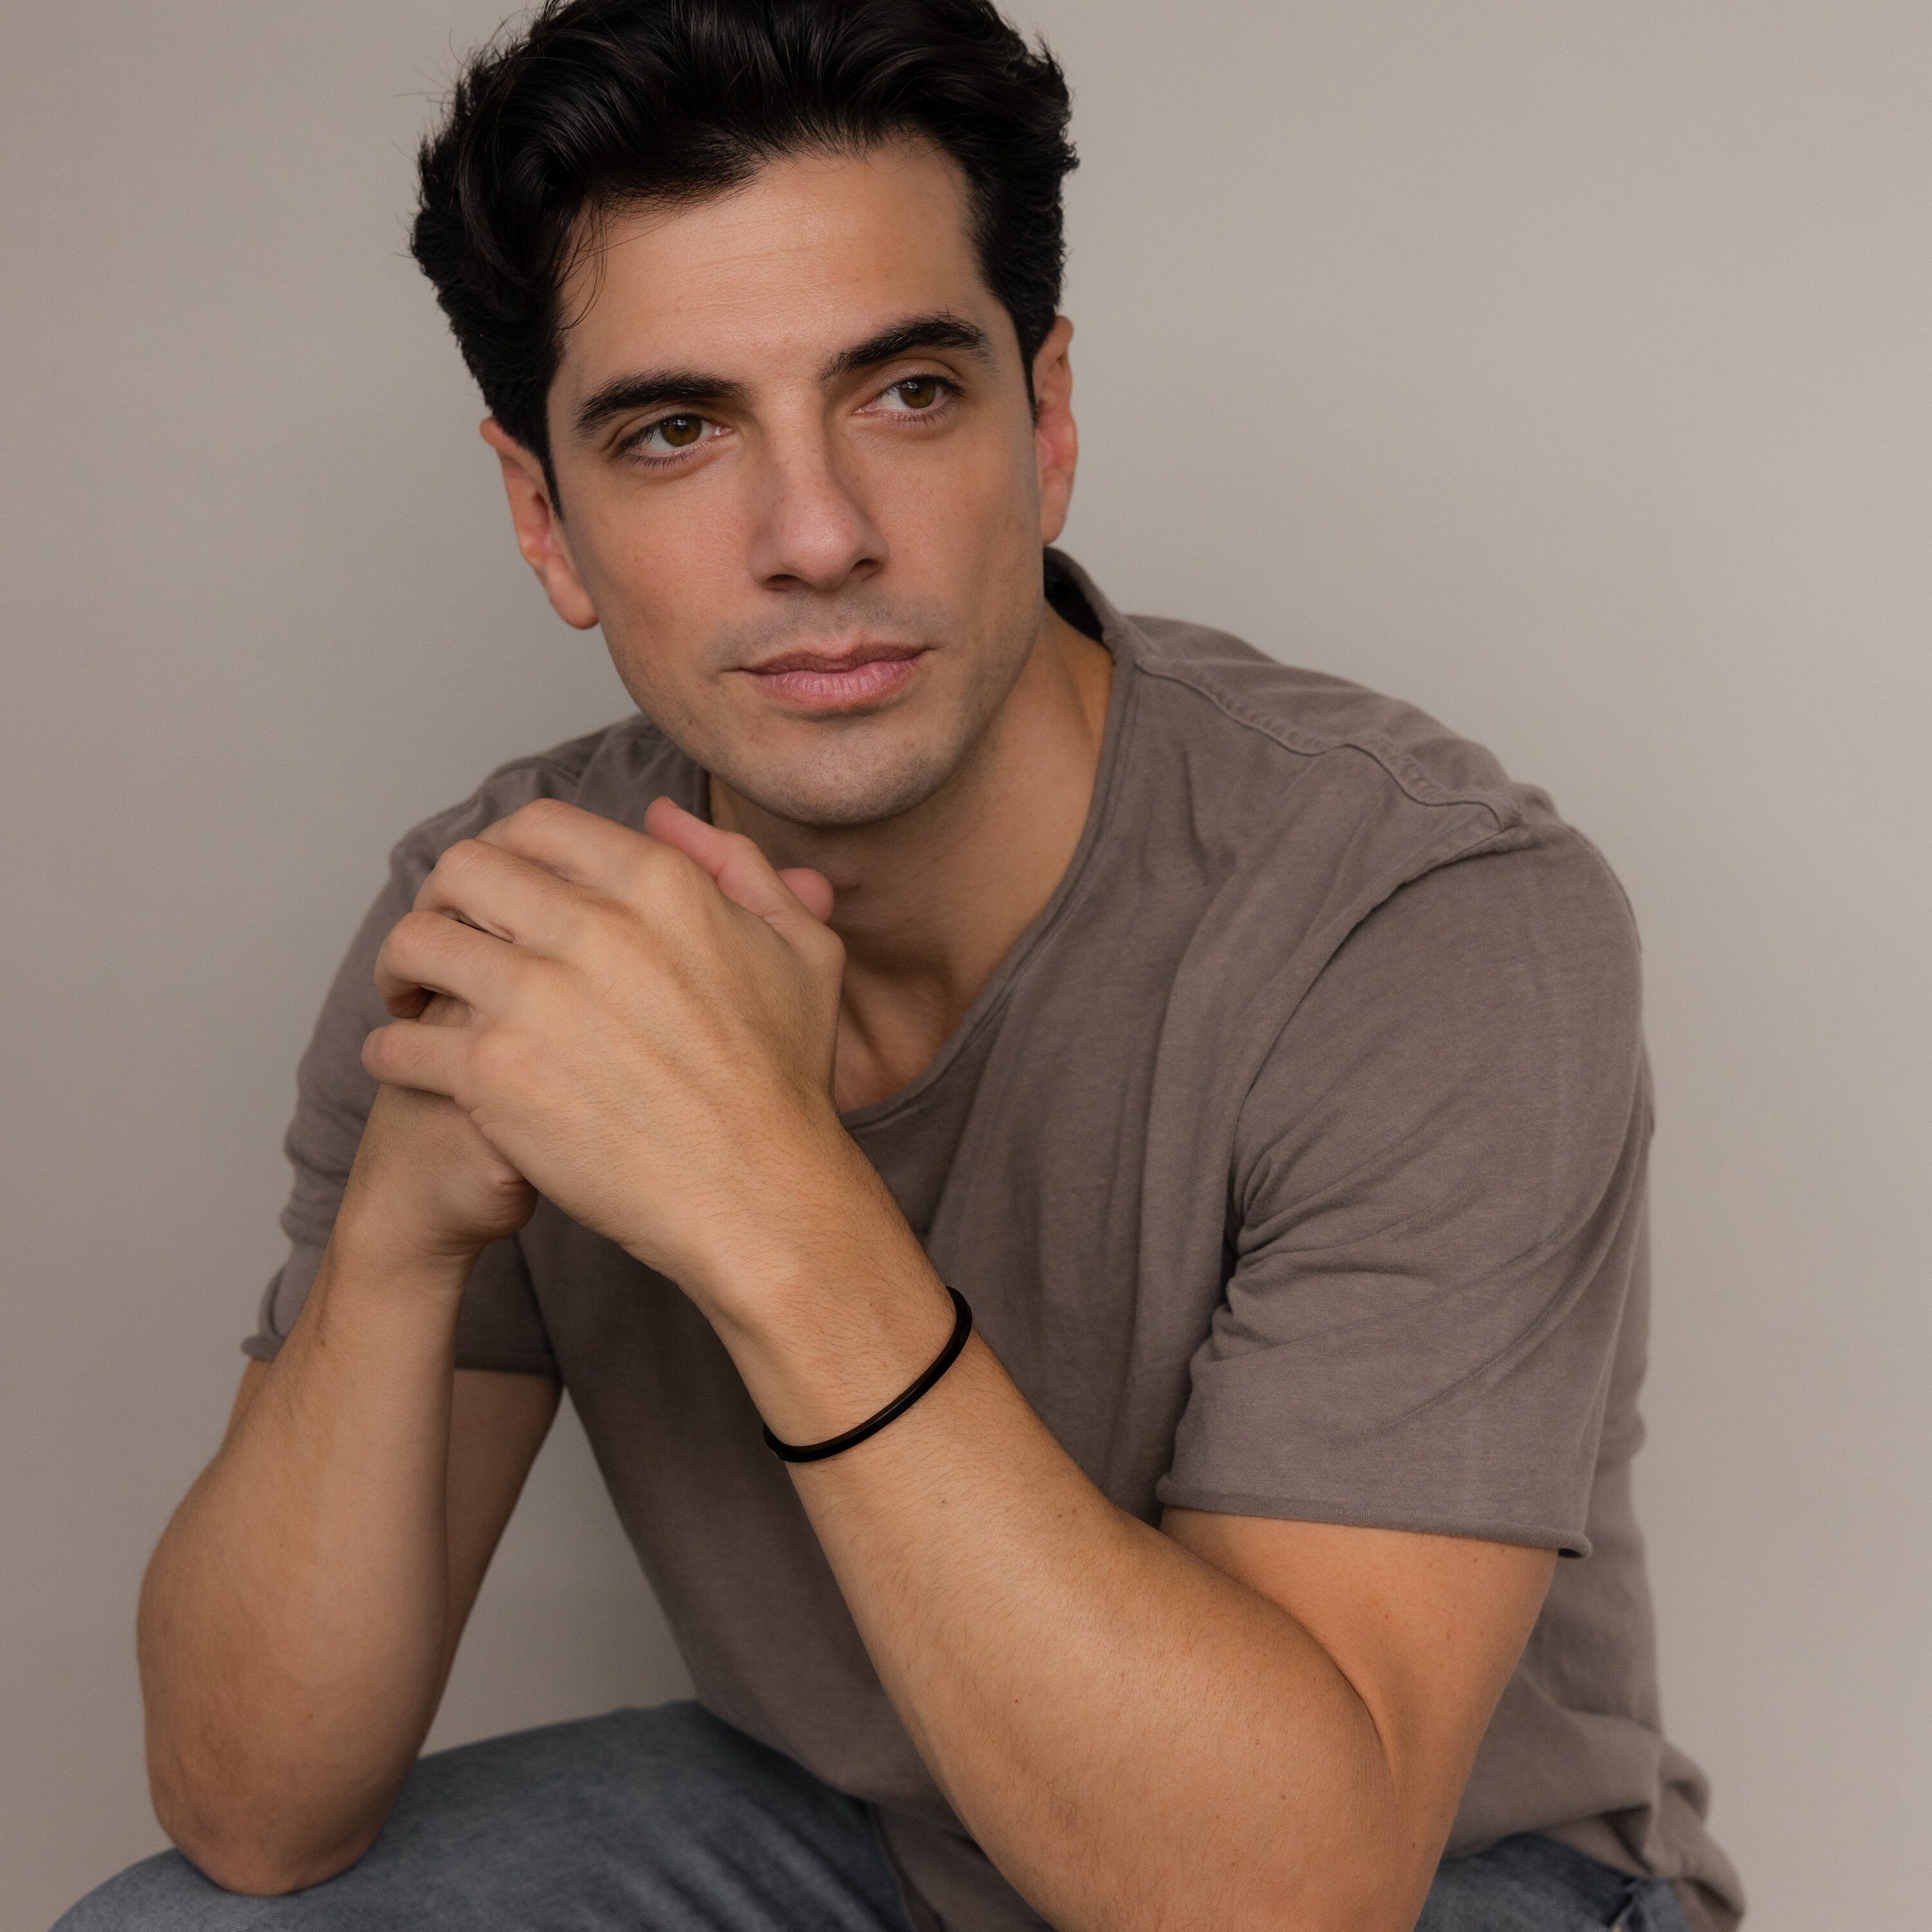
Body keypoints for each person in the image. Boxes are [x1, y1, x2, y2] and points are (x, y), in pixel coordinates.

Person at [59, 3, 1744, 1929]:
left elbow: (1277, 1895)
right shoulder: (522, 927)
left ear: (1049, 424)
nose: (818, 536)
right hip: (879, 1834)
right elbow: (254, 1816)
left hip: (1424, 1874)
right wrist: (399, 1239)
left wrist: (764, 1199)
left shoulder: (1420, 920)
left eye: (908, 394)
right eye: (677, 431)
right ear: (546, 519)